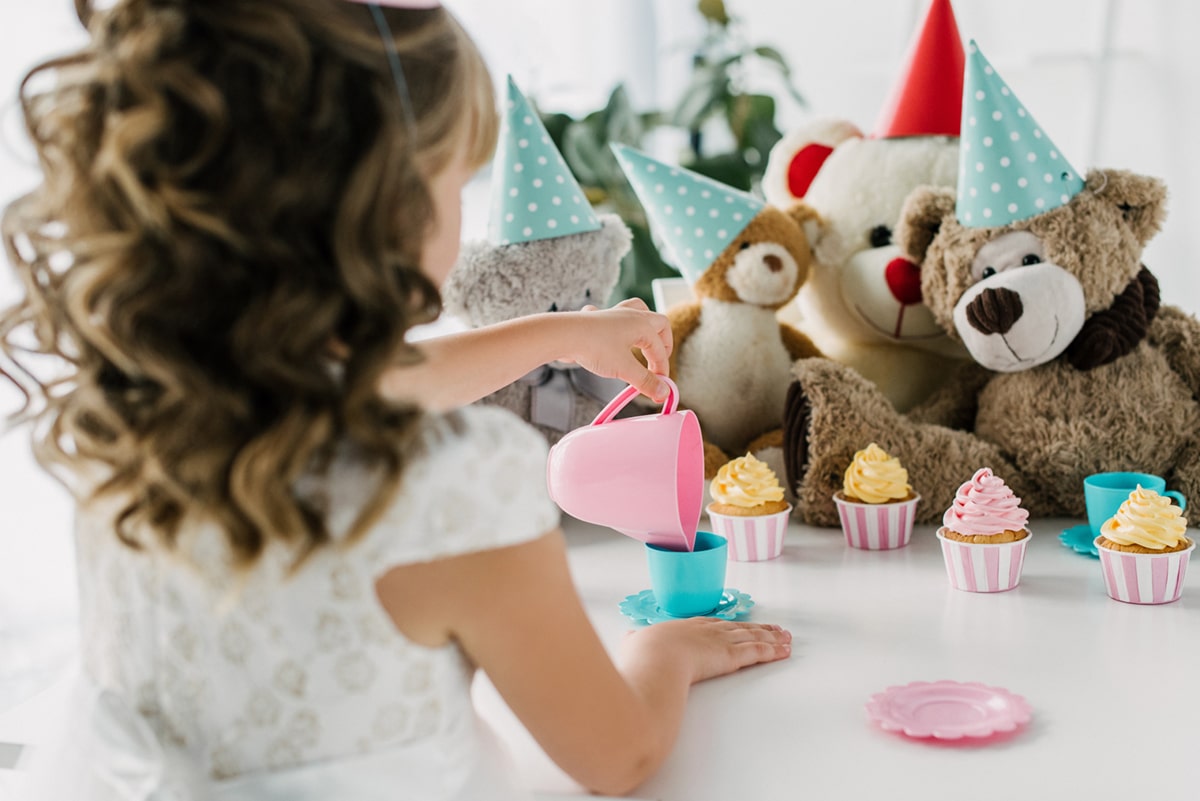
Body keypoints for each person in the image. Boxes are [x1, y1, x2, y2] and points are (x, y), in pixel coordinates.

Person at [0, 1, 792, 799]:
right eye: (457, 179)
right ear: (390, 206)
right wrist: (666, 653)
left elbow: (376, 380)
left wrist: (560, 334)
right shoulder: (453, 488)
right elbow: (616, 755)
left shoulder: (132, 407)